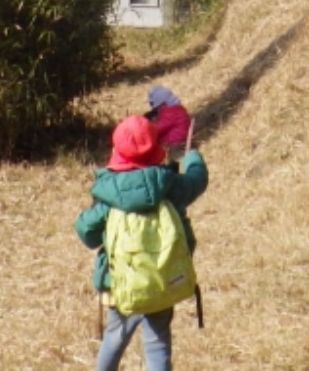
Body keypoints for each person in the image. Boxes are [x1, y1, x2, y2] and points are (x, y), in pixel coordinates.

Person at [76, 115, 210, 371]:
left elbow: (85, 231)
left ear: (117, 152)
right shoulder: (170, 186)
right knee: (157, 343)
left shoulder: (108, 192)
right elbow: (197, 181)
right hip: (163, 278)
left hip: (120, 283)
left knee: (114, 338)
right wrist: (193, 157)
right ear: (157, 150)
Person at [145, 84, 192, 154]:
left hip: (174, 141)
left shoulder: (170, 113)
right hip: (178, 138)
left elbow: (157, 129)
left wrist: (146, 126)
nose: (152, 107)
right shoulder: (175, 109)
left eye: (152, 104)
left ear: (160, 103)